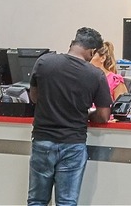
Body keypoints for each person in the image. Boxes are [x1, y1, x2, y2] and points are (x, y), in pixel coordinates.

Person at [27, 27, 112, 206]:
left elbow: (35, 98)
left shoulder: (43, 62)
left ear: (73, 43)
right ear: (92, 51)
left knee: (36, 200)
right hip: (73, 143)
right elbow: (104, 116)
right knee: (66, 202)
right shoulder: (95, 75)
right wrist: (88, 114)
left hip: (42, 140)